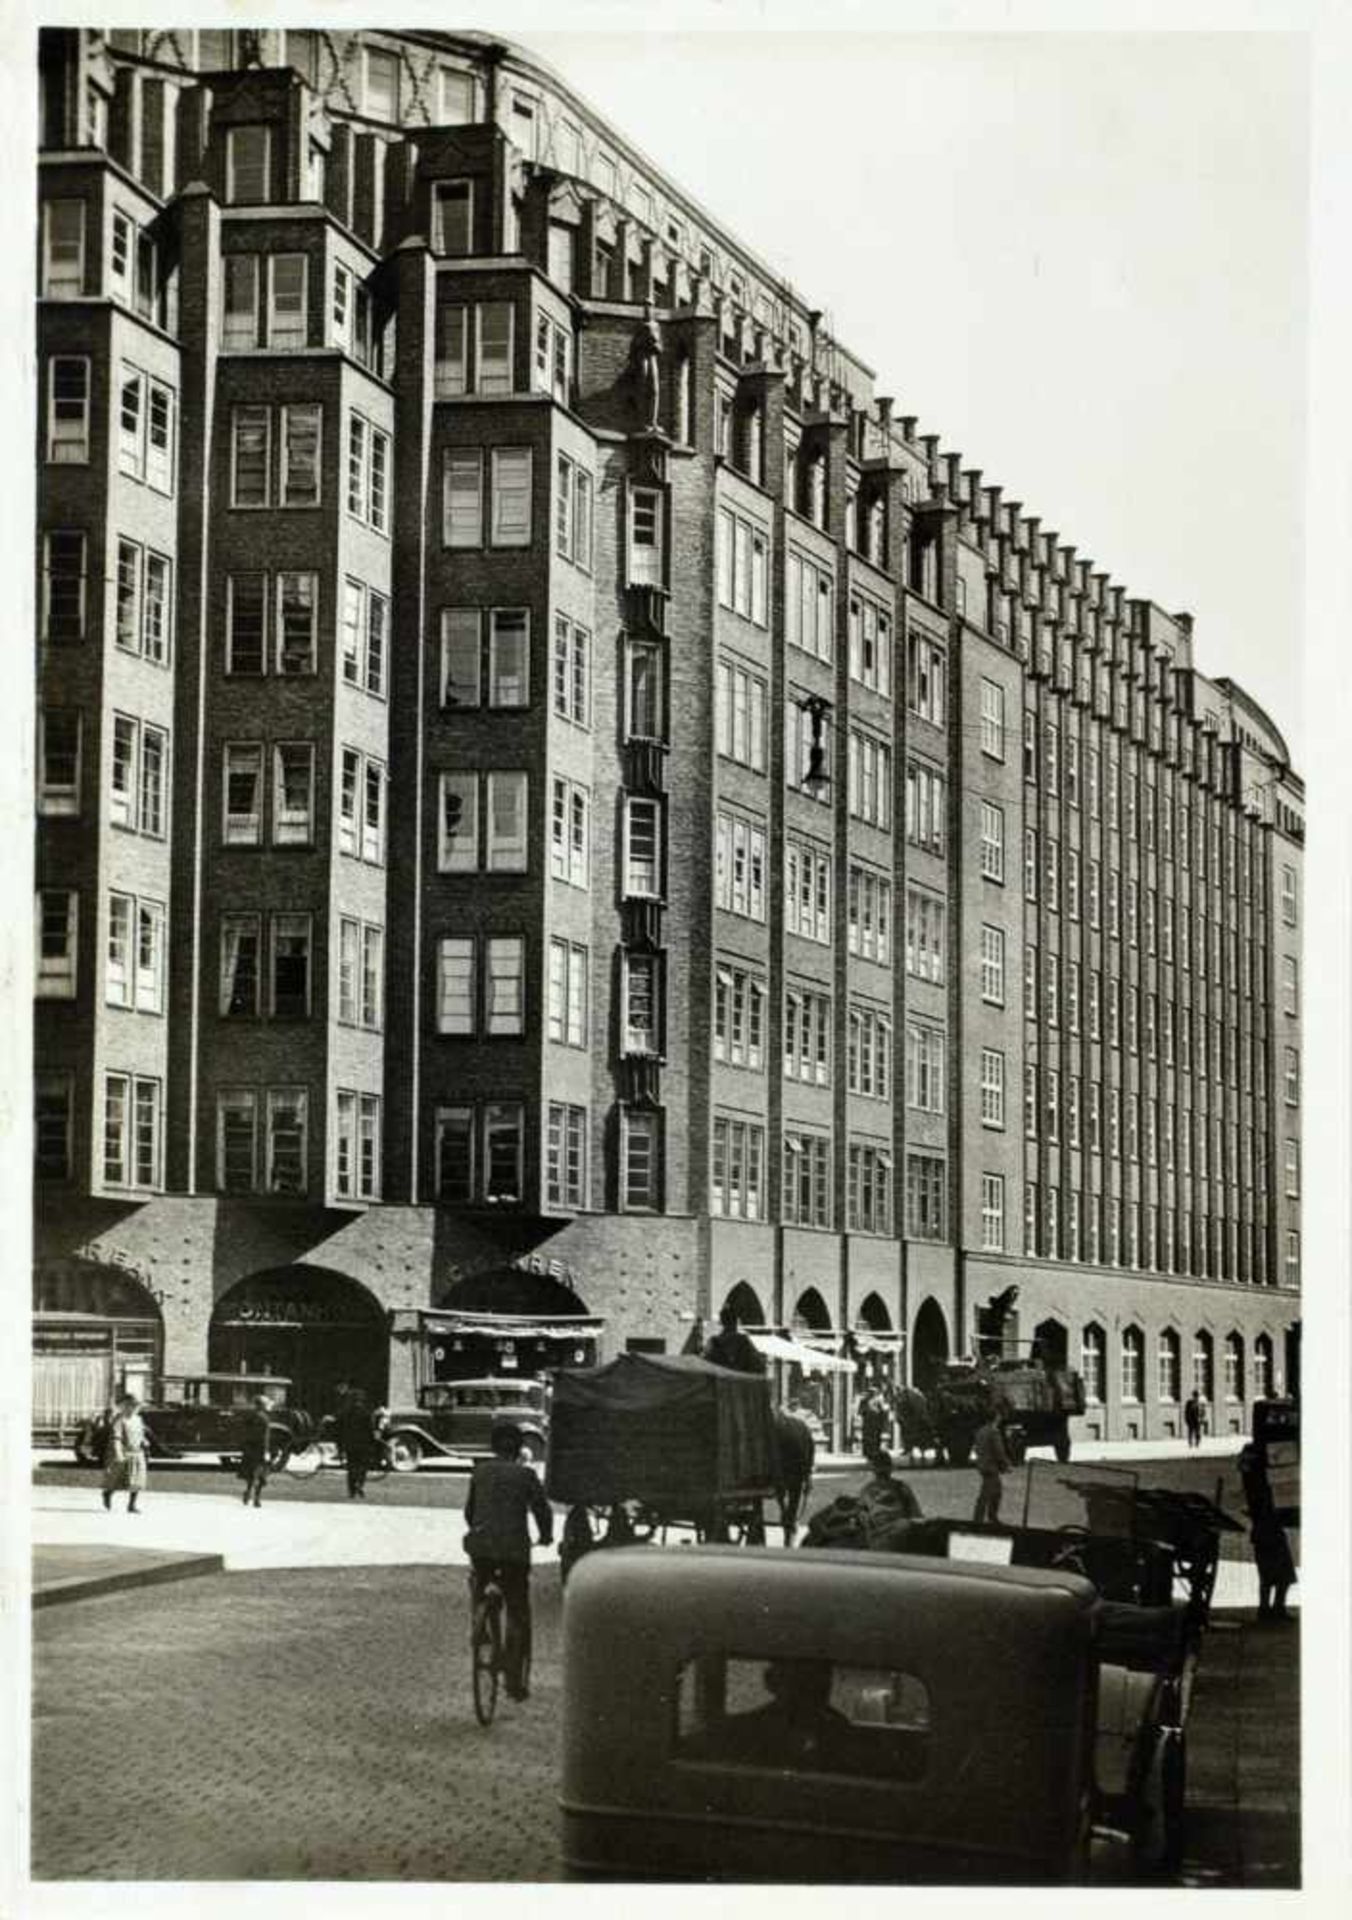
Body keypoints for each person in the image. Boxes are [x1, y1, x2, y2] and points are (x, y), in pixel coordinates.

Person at [464, 1419, 555, 1701]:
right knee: (518, 1609)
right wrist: (546, 1536)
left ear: (493, 1448)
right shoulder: (526, 1475)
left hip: (481, 1547)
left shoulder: (479, 1472)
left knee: (480, 1580)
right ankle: (515, 1680)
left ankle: (480, 1623)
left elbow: (469, 1512)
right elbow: (542, 1511)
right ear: (519, 1449)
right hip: (514, 1550)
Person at [1238, 1442, 1296, 1621]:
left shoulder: (1250, 1477)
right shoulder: (1258, 1479)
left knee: (1267, 1574)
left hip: (1262, 1530)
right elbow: (1265, 1504)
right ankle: (1276, 1609)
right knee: (1282, 1573)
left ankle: (1266, 1609)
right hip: (1269, 1529)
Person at [101, 1393, 149, 1514]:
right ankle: (108, 1493)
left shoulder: (138, 1419)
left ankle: (131, 1505)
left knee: (137, 1480)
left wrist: (144, 1441)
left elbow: (141, 1433)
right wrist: (118, 1453)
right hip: (124, 1453)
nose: (132, 1408)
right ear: (124, 1406)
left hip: (137, 1453)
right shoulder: (119, 1420)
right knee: (118, 1479)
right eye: (130, 1405)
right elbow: (116, 1438)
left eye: (135, 1406)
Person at [972, 1405, 1011, 1524]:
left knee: (996, 1492)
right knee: (987, 1494)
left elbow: (977, 1449)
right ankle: (982, 1519)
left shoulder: (980, 1431)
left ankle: (991, 1517)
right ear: (995, 1417)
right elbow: (999, 1451)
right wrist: (1006, 1465)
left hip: (983, 1465)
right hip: (991, 1466)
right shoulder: (994, 1431)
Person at [703, 1303, 766, 1376]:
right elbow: (759, 1367)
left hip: (721, 1385)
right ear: (736, 1322)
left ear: (722, 1322)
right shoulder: (744, 1342)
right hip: (740, 1384)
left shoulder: (713, 1342)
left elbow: (705, 1367)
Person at [337, 1388, 378, 1500]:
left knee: (351, 1467)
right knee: (362, 1467)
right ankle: (360, 1483)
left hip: (350, 1444)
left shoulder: (345, 1413)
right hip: (363, 1444)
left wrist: (340, 1446)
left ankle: (351, 1491)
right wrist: (373, 1444)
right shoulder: (366, 1413)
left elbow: (340, 1429)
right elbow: (370, 1430)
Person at [239, 1394, 272, 1508]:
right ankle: (257, 1498)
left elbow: (245, 1433)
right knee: (261, 1475)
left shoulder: (250, 1416)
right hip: (260, 1450)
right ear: (262, 1405)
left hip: (250, 1449)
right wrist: (266, 1452)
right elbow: (264, 1437)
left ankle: (248, 1493)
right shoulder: (264, 1418)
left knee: (252, 1474)